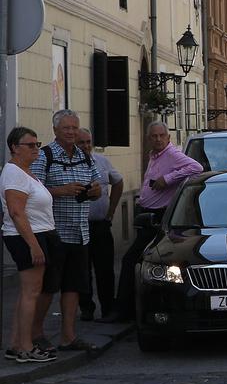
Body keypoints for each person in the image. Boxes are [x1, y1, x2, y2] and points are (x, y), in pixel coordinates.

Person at [111, 123, 202, 321]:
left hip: (158, 217)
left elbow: (197, 167)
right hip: (147, 214)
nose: (158, 139)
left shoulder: (171, 154)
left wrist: (168, 178)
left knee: (132, 260)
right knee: (142, 264)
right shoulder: (154, 155)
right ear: (148, 139)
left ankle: (122, 311)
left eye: (162, 136)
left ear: (168, 138)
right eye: (154, 136)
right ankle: (132, 309)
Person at [29, 110, 99, 351]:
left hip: (81, 233)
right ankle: (35, 334)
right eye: (66, 128)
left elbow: (98, 185)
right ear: (56, 129)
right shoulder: (44, 156)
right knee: (48, 288)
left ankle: (68, 336)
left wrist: (94, 191)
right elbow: (32, 193)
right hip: (54, 233)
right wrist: (61, 190)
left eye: (74, 127)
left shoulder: (86, 156)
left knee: (73, 287)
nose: (71, 132)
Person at [4, 127, 60, 364]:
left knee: (29, 292)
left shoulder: (25, 172)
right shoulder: (14, 173)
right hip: (28, 236)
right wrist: (34, 245)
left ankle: (16, 343)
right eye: (30, 145)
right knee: (31, 292)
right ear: (15, 148)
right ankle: (26, 347)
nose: (36, 149)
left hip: (41, 233)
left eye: (38, 144)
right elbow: (16, 212)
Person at [76, 129, 122, 322]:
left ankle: (108, 308)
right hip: (78, 227)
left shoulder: (102, 161)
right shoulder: (70, 164)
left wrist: (111, 212)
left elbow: (118, 182)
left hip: (101, 225)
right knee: (81, 270)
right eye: (81, 143)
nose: (86, 146)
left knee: (105, 270)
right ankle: (86, 308)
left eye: (88, 142)